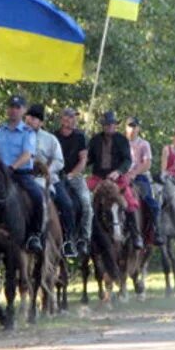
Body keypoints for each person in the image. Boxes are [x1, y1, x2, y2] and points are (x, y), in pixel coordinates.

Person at [0, 95, 44, 253]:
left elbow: (27, 154)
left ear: (23, 111)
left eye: (18, 108)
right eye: (11, 107)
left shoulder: (28, 132)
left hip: (20, 174)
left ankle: (34, 235)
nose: (14, 110)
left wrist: (11, 168)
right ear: (7, 109)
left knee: (38, 197)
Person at [25, 104, 77, 258]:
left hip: (47, 178)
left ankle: (68, 241)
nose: (29, 120)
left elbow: (59, 161)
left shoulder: (50, 139)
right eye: (28, 116)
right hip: (22, 176)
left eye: (34, 118)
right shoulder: (17, 135)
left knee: (67, 204)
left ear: (41, 122)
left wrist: (46, 169)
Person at [87, 111, 144, 249]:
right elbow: (89, 159)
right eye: (107, 124)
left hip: (117, 177)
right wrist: (82, 160)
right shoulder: (94, 140)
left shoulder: (122, 140)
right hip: (98, 177)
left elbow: (127, 160)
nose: (110, 127)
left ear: (115, 125)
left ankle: (135, 234)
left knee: (130, 200)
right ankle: (84, 235)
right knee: (83, 196)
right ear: (103, 126)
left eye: (112, 124)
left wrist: (118, 171)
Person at [53, 107, 93, 256]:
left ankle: (83, 238)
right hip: (56, 175)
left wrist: (71, 174)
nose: (72, 120)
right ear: (62, 119)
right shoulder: (54, 136)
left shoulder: (80, 137)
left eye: (73, 117)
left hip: (74, 176)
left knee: (86, 202)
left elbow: (83, 160)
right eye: (69, 117)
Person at [124, 116, 162, 245]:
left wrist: (134, 173)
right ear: (126, 127)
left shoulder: (144, 144)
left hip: (140, 176)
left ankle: (156, 231)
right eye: (130, 126)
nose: (132, 129)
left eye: (135, 126)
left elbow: (147, 164)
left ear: (138, 128)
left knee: (150, 202)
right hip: (121, 176)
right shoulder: (120, 142)